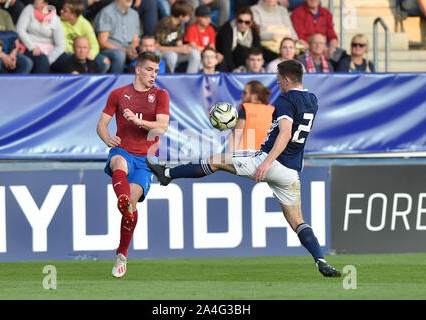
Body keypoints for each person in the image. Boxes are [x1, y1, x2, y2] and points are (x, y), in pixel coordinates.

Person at [146, 59, 341, 278]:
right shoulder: (312, 100)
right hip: (291, 171)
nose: (277, 83)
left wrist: (266, 163)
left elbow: (286, 132)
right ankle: (321, 260)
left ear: (286, 79)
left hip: (271, 161)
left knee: (217, 160)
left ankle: (167, 173)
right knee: (297, 220)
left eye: (278, 79)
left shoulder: (286, 100)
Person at [96, 51, 170, 278]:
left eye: (156, 71)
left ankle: (121, 254)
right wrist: (106, 137)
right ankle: (123, 198)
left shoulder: (161, 95)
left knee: (130, 208)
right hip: (123, 151)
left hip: (147, 159)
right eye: (149, 69)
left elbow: (161, 128)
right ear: (137, 70)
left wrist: (138, 121)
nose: (153, 75)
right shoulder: (118, 94)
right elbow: (101, 124)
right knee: (118, 162)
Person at [59, 0, 110, 73]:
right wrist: (78, 51)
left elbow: (94, 45)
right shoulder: (58, 22)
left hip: (85, 52)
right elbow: (62, 43)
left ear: (73, 15)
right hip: (70, 52)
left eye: (65, 11)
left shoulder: (85, 24)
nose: (61, 11)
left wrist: (90, 54)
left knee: (104, 62)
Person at [16, 0, 66, 73]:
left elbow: (61, 44)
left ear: (45, 3)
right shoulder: (29, 9)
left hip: (49, 50)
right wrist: (32, 47)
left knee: (67, 59)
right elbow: (20, 30)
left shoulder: (54, 18)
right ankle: (42, 84)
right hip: (30, 46)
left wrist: (50, 59)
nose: (35, 0)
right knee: (42, 59)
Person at [153, 0, 201, 73]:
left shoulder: (179, 24)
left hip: (173, 51)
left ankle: (191, 79)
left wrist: (185, 48)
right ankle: (169, 78)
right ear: (181, 16)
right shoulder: (164, 24)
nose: (189, 17)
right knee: (172, 56)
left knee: (195, 53)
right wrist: (178, 49)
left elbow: (179, 43)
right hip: (160, 54)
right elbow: (157, 47)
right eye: (188, 15)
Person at [95, 0, 140, 73]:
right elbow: (102, 42)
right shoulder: (106, 12)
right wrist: (125, 50)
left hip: (129, 49)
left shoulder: (134, 14)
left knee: (150, 52)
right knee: (120, 54)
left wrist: (131, 48)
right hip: (111, 50)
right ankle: (117, 83)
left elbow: (136, 40)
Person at [229, 80, 273, 152]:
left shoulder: (246, 108)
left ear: (254, 96)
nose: (242, 95)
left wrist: (231, 157)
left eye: (245, 93)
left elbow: (236, 136)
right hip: (266, 157)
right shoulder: (273, 110)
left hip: (245, 156)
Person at [215, 6, 261, 72]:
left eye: (247, 22)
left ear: (251, 23)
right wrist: (233, 72)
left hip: (243, 58)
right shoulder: (227, 28)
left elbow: (258, 49)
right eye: (240, 21)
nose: (243, 24)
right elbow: (226, 52)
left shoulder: (253, 30)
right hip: (225, 58)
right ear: (236, 20)